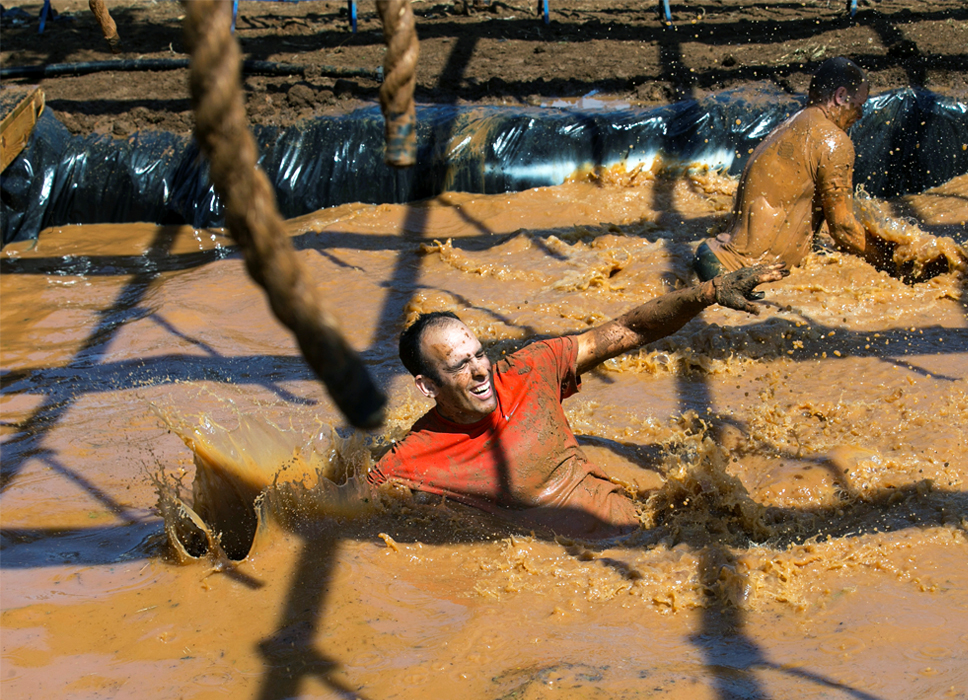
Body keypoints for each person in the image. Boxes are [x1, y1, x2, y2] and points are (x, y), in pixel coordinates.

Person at [367, 263, 788, 539]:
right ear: (427, 386)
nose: (480, 371)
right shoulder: (410, 458)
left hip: (643, 535)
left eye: (480, 354)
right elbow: (333, 509)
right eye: (460, 365)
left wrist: (709, 291)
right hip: (576, 572)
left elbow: (628, 330)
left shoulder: (530, 370)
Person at [694, 57, 891, 280]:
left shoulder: (792, 125)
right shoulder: (833, 140)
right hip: (740, 273)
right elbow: (843, 228)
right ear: (841, 96)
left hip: (713, 256)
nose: (861, 114)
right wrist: (893, 262)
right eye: (860, 104)